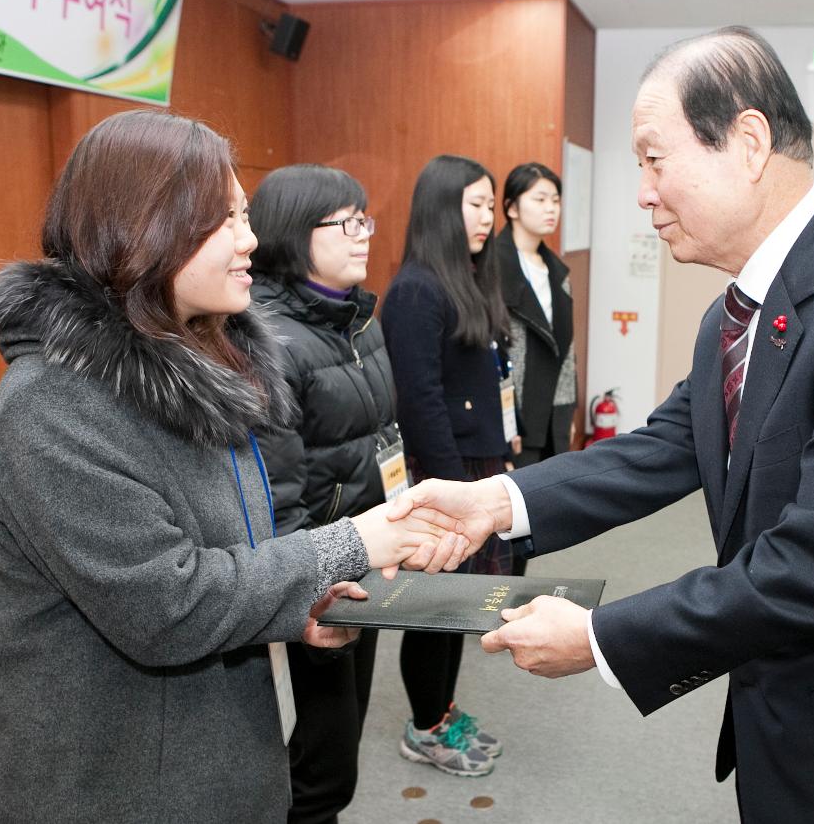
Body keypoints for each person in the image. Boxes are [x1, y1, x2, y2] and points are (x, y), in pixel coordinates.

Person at [388, 28, 814, 822]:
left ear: (747, 142)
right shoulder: (735, 313)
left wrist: (601, 638)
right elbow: (664, 446)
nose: (641, 191)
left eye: (654, 158)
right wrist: (496, 502)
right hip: (796, 719)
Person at [0, 110, 470, 823]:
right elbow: (168, 604)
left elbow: (229, 556)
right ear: (145, 228)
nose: (251, 239)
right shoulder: (54, 404)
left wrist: (298, 606)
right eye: (224, 218)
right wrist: (351, 543)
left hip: (221, 769)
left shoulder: (200, 366)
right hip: (117, 791)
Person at [247, 164, 395, 823]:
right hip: (322, 566)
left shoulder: (357, 319)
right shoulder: (272, 340)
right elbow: (278, 492)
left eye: (365, 219)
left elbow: (380, 437)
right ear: (294, 233)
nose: (364, 235)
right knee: (329, 756)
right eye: (347, 222)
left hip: (369, 545)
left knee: (339, 735)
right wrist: (315, 585)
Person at [380, 154, 513, 777]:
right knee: (434, 610)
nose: (487, 218)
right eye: (476, 204)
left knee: (460, 607)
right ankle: (425, 728)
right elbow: (421, 399)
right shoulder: (415, 289)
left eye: (491, 206)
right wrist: (455, 489)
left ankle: (442, 710)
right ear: (442, 207)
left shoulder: (465, 278)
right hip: (445, 473)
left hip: (477, 465)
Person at [495, 162, 578, 575]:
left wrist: (568, 414)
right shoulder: (492, 267)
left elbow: (568, 350)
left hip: (548, 411)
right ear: (511, 207)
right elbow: (495, 350)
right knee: (502, 523)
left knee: (529, 519)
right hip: (514, 415)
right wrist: (504, 422)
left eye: (556, 200)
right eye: (540, 199)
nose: (551, 209)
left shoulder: (556, 270)